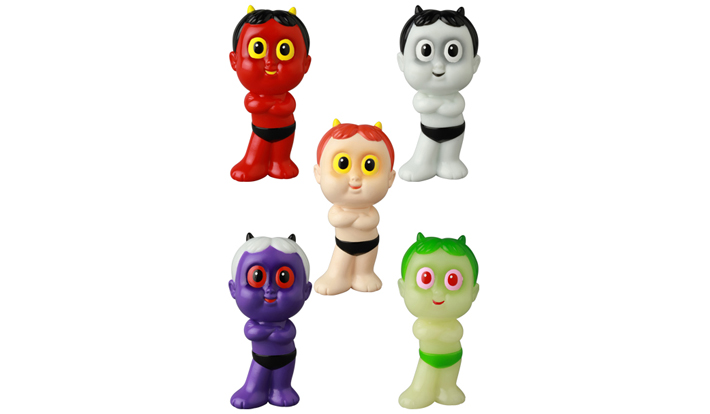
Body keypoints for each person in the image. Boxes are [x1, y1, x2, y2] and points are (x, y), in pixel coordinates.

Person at [397, 6, 480, 181]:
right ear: (402, 62)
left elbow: (457, 107)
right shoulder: (423, 96)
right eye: (425, 51)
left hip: (455, 131)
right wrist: (440, 105)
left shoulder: (455, 97)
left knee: (450, 153)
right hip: (429, 132)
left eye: (452, 52)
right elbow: (420, 105)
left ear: (474, 64)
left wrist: (439, 106)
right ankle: (422, 164)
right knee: (425, 151)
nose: (438, 65)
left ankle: (449, 161)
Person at [313, 120, 396, 295]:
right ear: (318, 173)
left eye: (369, 166)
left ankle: (364, 275)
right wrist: (355, 219)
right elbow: (335, 219)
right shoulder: (338, 209)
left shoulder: (370, 211)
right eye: (342, 164)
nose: (355, 177)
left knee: (365, 267)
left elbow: (372, 221)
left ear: (390, 178)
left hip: (370, 245)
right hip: (344, 245)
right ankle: (337, 277)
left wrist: (355, 220)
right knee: (339, 265)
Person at [229, 6, 312, 181]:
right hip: (260, 132)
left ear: (306, 64)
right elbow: (251, 105)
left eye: (284, 51)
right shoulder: (254, 96)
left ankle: (281, 162)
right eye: (257, 49)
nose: (270, 62)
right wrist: (269, 105)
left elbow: (289, 106)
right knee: (256, 152)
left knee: (282, 154)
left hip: (286, 131)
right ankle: (254, 164)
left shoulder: (286, 97)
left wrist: (273, 106)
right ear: (234, 60)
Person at [398, 233, 480, 408]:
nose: (438, 292)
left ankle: (447, 389)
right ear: (402, 288)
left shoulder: (453, 324)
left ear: (473, 292)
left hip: (454, 358)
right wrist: (439, 332)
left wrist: (441, 333)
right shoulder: (422, 324)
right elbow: (421, 332)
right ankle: (420, 391)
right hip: (429, 359)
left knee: (448, 379)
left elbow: (456, 334)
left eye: (453, 281)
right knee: (424, 379)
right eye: (426, 279)